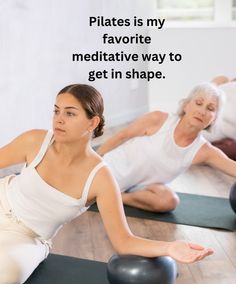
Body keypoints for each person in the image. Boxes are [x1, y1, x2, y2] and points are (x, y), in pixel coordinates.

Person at [0, 84, 214, 284]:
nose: (59, 119)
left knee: (8, 273)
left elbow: (124, 241)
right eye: (57, 111)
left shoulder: (101, 178)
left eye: (70, 113)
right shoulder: (35, 140)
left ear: (92, 122)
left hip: (27, 237)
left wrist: (169, 247)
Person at [97, 82, 236, 212]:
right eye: (198, 103)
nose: (202, 111)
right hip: (109, 170)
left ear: (214, 119)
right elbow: (121, 136)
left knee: (169, 201)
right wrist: (93, 160)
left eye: (210, 109)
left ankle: (117, 198)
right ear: (186, 105)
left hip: (136, 188)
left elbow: (231, 167)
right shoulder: (158, 119)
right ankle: (105, 193)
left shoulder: (204, 150)